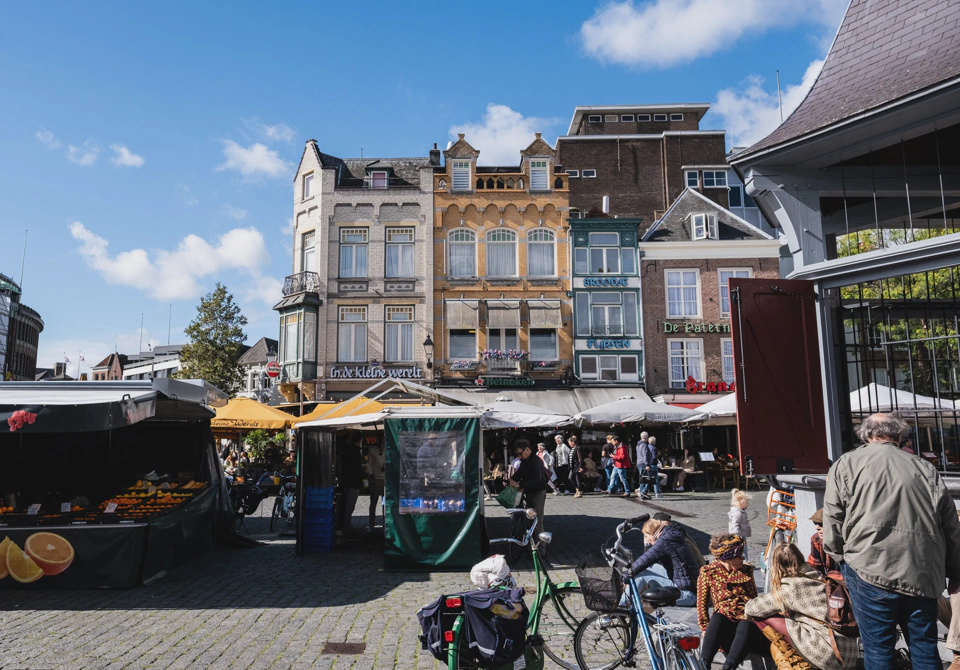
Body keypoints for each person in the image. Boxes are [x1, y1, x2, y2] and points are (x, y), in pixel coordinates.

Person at [824, 412, 960, 669]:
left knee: (878, 649)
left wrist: (840, 558)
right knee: (924, 647)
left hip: (868, 567)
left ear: (866, 435)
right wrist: (955, 571)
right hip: (920, 570)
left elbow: (833, 519)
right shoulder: (924, 468)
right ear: (899, 435)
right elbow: (950, 525)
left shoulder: (847, 464)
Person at [745, 543, 860, 670]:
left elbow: (751, 609)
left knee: (763, 617)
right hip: (849, 654)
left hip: (827, 654)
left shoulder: (790, 587)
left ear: (776, 566)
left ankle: (791, 661)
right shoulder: (818, 577)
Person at [697, 534, 770, 670]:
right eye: (739, 556)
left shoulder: (747, 571)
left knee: (746, 623)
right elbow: (702, 603)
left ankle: (729, 666)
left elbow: (754, 601)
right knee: (718, 617)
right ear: (728, 558)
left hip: (746, 628)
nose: (743, 558)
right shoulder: (708, 572)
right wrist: (704, 627)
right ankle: (703, 664)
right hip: (724, 626)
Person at [628, 518, 701, 607]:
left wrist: (626, 577)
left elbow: (645, 559)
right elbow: (648, 562)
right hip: (686, 584)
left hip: (688, 595)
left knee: (641, 576)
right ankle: (623, 604)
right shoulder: (669, 535)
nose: (646, 539)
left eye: (646, 536)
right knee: (645, 569)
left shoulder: (664, 542)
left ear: (652, 533)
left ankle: (620, 606)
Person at [508, 439, 547, 538]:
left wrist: (520, 484)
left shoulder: (537, 461)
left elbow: (537, 481)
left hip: (538, 492)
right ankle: (529, 545)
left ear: (527, 450)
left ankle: (540, 550)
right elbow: (520, 473)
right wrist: (511, 479)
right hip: (528, 491)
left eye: (520, 454)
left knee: (536, 520)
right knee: (529, 518)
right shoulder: (524, 461)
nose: (519, 457)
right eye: (517, 455)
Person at [806, 509, 838, 577]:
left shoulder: (847, 538)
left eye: (821, 524)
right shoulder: (815, 539)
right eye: (815, 523)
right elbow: (815, 567)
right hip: (831, 579)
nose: (817, 527)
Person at [727, 489, 752, 562]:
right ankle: (744, 563)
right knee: (742, 551)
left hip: (740, 535)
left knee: (743, 550)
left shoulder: (739, 511)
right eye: (747, 501)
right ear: (741, 501)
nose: (748, 503)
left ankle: (743, 562)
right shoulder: (737, 513)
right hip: (739, 536)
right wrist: (737, 536)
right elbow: (735, 525)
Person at [366, 440, 385, 532]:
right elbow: (368, 464)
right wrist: (371, 474)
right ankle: (371, 523)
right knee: (373, 502)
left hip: (386, 480)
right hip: (376, 479)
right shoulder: (373, 451)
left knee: (385, 503)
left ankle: (386, 523)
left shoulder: (389, 451)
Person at [637, 434, 661, 500]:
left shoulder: (638, 445)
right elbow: (645, 455)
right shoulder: (645, 445)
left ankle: (642, 493)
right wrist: (647, 464)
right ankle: (643, 492)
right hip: (645, 464)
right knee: (650, 478)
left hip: (639, 463)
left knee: (644, 479)